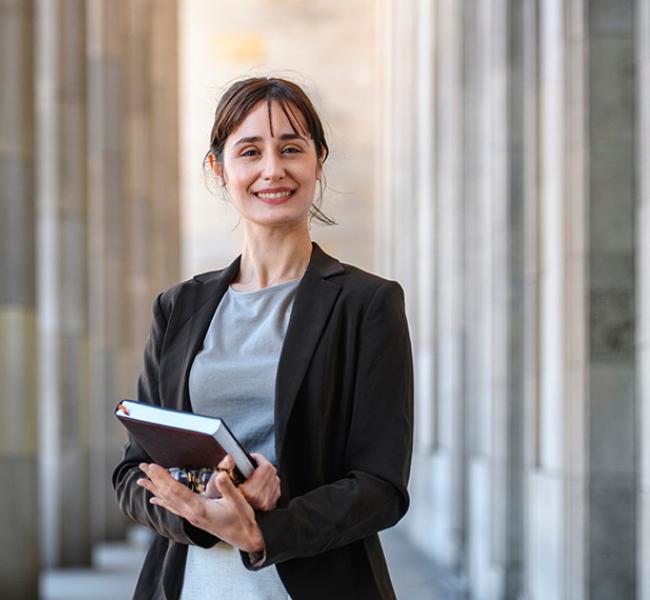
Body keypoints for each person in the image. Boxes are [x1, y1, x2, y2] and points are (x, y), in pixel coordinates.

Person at [112, 77, 414, 600]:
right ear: (219, 168)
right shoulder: (178, 307)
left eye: (291, 148)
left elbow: (381, 486)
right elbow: (133, 471)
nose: (272, 169)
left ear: (318, 161)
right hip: (189, 585)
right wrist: (198, 508)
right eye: (249, 151)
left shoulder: (366, 304)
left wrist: (261, 530)